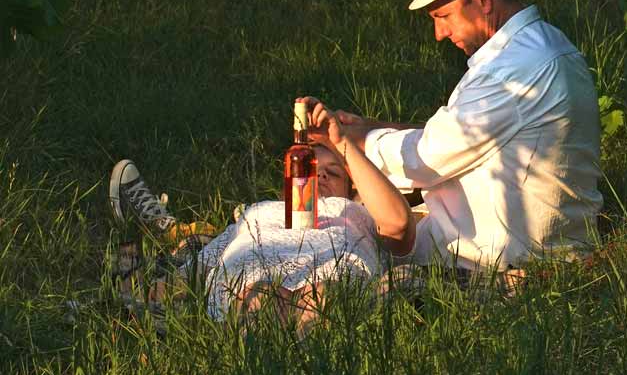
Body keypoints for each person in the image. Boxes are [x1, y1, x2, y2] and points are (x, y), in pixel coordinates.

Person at [303, 0, 603, 275]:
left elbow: (424, 160)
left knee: (347, 244)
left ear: (482, 0)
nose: (439, 34)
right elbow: (462, 135)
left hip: (499, 258)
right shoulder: (549, 45)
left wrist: (353, 141)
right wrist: (376, 127)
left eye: (442, 16)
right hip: (547, 242)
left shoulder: (508, 72)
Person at [108, 105, 415, 330]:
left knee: (324, 298)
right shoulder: (260, 212)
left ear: (351, 188)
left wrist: (343, 143)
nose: (320, 176)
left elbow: (399, 225)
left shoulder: (357, 212)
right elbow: (207, 259)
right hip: (253, 282)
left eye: (333, 173)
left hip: (330, 280)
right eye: (309, 169)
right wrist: (165, 288)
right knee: (261, 298)